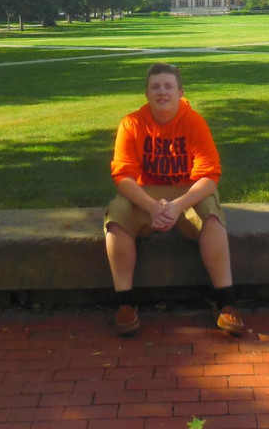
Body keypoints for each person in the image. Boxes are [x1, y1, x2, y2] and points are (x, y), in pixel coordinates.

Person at [103, 62, 244, 337]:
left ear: (180, 92)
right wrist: (152, 206)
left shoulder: (194, 122)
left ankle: (226, 300)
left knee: (211, 214)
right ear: (146, 94)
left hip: (188, 192)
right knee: (117, 215)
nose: (162, 92)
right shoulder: (130, 123)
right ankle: (124, 303)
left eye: (168, 86)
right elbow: (123, 176)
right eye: (155, 87)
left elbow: (209, 176)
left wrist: (178, 205)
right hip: (147, 195)